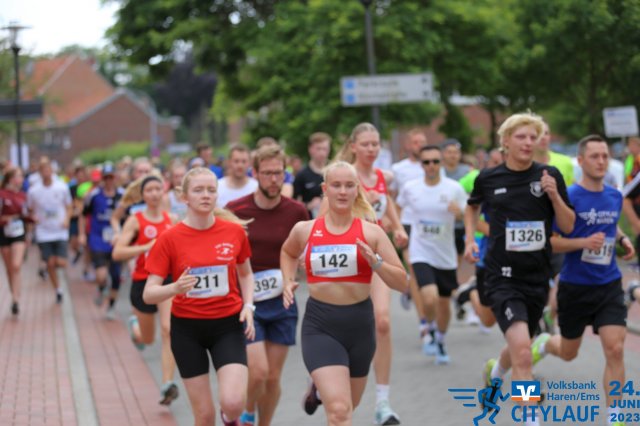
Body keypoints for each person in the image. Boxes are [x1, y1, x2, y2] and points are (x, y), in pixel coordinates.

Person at [464, 112, 575, 426]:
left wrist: (554, 195)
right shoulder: (488, 178)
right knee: (524, 352)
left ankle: (495, 372)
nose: (528, 143)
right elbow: (471, 207)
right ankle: (530, 417)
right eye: (521, 137)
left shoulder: (549, 175)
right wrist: (470, 239)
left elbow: (568, 226)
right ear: (506, 142)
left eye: (532, 137)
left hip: (536, 277)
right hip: (502, 277)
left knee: (520, 345)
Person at [281, 161, 407, 426]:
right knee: (339, 411)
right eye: (336, 185)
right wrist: (288, 280)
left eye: (349, 185)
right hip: (321, 326)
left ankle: (319, 390)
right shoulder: (306, 230)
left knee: (349, 405)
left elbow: (401, 282)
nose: (342, 191)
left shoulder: (371, 233)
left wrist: (377, 264)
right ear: (325, 189)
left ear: (357, 190)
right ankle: (322, 387)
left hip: (360, 326)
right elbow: (288, 252)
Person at [531, 135, 633, 426]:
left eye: (605, 156)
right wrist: (583, 243)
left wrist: (623, 240)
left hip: (609, 284)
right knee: (568, 353)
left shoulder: (614, 196)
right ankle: (544, 344)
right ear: (580, 161)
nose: (601, 161)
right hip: (575, 287)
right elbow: (550, 242)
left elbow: (610, 227)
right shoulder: (569, 197)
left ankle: (616, 417)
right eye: (594, 156)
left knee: (615, 349)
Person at [143, 167, 256, 426]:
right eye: (198, 190)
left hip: (228, 325)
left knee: (233, 404)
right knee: (204, 416)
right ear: (184, 197)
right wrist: (175, 288)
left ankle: (230, 418)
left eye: (211, 190)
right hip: (187, 330)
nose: (206, 195)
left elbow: (246, 274)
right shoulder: (169, 238)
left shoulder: (234, 232)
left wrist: (249, 305)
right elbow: (149, 294)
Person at [227, 146, 309, 426]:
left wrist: (302, 265)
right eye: (267, 173)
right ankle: (247, 412)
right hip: (248, 302)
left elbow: (306, 248)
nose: (274, 179)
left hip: (282, 300)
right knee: (259, 372)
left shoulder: (296, 211)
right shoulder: (236, 210)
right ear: (255, 173)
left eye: (279, 173)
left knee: (273, 378)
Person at [334, 122, 408, 425]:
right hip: (346, 260)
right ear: (353, 146)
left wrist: (398, 227)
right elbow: (330, 214)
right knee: (341, 325)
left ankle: (382, 401)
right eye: (365, 144)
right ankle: (324, 375)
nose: (371, 149)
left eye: (375, 144)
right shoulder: (344, 176)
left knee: (383, 322)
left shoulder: (379, 176)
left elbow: (386, 205)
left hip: (374, 257)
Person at [112, 174, 179, 405]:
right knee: (148, 339)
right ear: (142, 195)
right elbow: (118, 252)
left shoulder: (172, 219)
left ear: (163, 192)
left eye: (158, 189)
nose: (154, 194)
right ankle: (136, 327)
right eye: (149, 190)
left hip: (166, 281)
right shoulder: (135, 220)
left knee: (168, 329)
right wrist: (146, 247)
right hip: (142, 282)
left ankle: (167, 384)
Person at [397, 145, 467, 364]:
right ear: (421, 165)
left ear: (441, 163)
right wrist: (399, 231)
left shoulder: (454, 188)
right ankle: (428, 326)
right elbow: (398, 207)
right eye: (426, 162)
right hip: (420, 251)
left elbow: (467, 214)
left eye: (435, 161)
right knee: (429, 296)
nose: (431, 166)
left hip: (445, 255)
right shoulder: (411, 188)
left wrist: (459, 214)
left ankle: (441, 339)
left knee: (444, 304)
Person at [389, 129, 428, 338]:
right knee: (413, 270)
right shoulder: (398, 169)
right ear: (407, 145)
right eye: (416, 142)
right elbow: (391, 197)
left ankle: (411, 292)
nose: (420, 145)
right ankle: (423, 322)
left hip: (428, 226)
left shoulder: (432, 165)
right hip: (407, 224)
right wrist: (395, 224)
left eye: (422, 141)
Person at [79, 163, 124, 319]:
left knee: (116, 276)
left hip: (117, 240)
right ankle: (101, 287)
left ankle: (111, 306)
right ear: (102, 179)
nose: (109, 181)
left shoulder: (122, 196)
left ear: (116, 178)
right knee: (101, 275)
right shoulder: (93, 195)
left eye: (111, 177)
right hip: (98, 238)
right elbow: (83, 215)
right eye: (106, 178)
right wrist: (82, 234)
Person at [27, 157, 73, 304]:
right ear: (40, 172)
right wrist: (33, 218)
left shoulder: (61, 187)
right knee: (51, 263)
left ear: (52, 171)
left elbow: (69, 206)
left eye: (48, 170)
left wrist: (66, 219)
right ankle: (58, 289)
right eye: (43, 170)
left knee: (61, 262)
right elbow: (30, 209)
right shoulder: (34, 190)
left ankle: (57, 280)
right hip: (43, 232)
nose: (46, 173)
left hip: (59, 230)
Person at [0, 168, 31, 315]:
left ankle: (15, 299)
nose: (22, 179)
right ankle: (14, 295)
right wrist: (7, 219)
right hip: (4, 233)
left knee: (16, 265)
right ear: (11, 178)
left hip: (19, 233)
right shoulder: (2, 195)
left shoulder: (23, 195)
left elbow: (26, 215)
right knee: (9, 268)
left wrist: (32, 220)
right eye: (19, 176)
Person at [293, 132, 331, 218]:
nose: (322, 152)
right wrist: (309, 205)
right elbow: (294, 204)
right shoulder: (301, 175)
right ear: (310, 149)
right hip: (309, 221)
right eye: (318, 149)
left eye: (325, 149)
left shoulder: (335, 172)